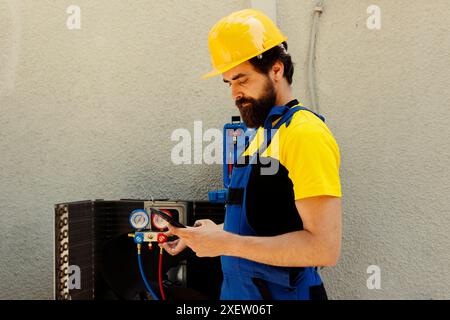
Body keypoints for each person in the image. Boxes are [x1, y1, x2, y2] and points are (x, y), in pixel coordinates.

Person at [160, 8, 342, 300]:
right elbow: (268, 220)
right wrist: (211, 234)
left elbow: (323, 248)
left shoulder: (304, 134)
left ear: (276, 69)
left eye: (242, 79)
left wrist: (226, 243)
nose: (235, 93)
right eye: (229, 82)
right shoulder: (261, 135)